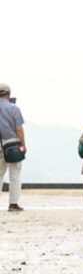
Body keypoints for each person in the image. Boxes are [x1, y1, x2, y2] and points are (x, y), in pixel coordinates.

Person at [0, 84, 26, 212]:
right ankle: (13, 203)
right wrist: (23, 144)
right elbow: (19, 129)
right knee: (15, 174)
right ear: (9, 94)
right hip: (12, 143)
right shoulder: (13, 108)